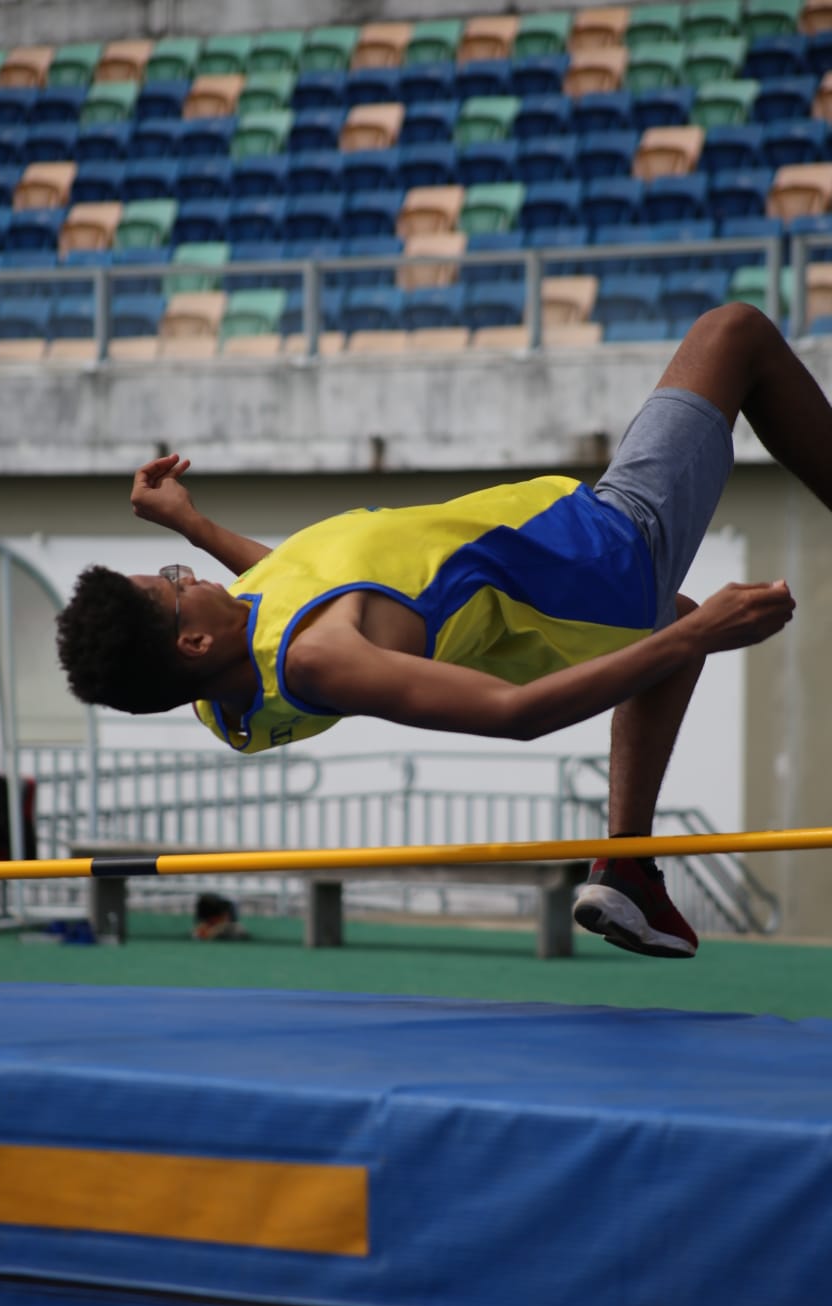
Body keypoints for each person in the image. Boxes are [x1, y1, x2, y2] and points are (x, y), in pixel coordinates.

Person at [57, 303, 825, 960]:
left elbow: (290, 584)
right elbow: (512, 715)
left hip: (556, 605)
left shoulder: (231, 681)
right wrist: (706, 637)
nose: (190, 577)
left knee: (671, 634)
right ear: (193, 642)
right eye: (176, 586)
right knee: (733, 333)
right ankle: (629, 849)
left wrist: (194, 528)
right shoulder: (328, 657)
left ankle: (627, 863)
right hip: (592, 557)